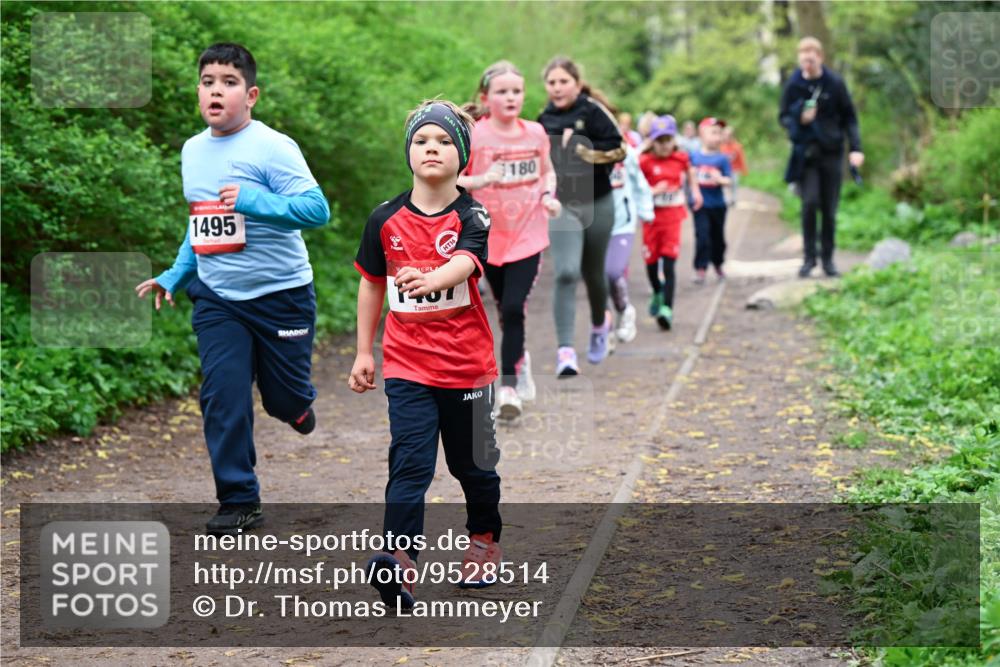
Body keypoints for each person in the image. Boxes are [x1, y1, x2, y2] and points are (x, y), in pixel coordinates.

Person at [134, 43, 330, 535]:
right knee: (222, 395)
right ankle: (239, 499)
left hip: (282, 293)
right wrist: (175, 275)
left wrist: (254, 201)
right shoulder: (192, 151)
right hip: (219, 296)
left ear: (251, 94)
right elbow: (201, 224)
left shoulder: (273, 147)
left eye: (228, 82)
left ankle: (296, 406)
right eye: (207, 81)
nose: (216, 90)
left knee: (282, 401)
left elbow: (317, 210)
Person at [349, 101, 503, 609]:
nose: (430, 148)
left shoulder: (472, 212)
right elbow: (372, 286)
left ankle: (482, 541)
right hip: (407, 364)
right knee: (410, 465)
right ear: (408, 152)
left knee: (473, 467)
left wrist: (429, 279)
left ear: (462, 156)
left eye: (442, 141)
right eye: (420, 140)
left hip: (467, 367)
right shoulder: (384, 219)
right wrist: (362, 352)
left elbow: (464, 263)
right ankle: (399, 563)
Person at [458, 61, 560, 421]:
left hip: (528, 233)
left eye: (516, 91)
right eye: (502, 91)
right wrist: (482, 179)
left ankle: (508, 388)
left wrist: (548, 195)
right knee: (503, 308)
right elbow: (454, 181)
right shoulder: (475, 135)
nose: (510, 97)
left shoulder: (535, 132)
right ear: (486, 97)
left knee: (514, 307)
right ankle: (521, 357)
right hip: (488, 236)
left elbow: (547, 172)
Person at [537, 57, 625, 376]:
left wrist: (580, 150)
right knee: (565, 272)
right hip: (563, 204)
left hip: (598, 200)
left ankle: (601, 324)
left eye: (563, 81)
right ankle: (565, 352)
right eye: (551, 83)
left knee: (593, 274)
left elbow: (619, 149)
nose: (557, 88)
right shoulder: (542, 120)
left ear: (576, 83)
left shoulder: (592, 112)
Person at [779, 36, 864, 278]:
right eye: (803, 53)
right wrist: (799, 119)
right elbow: (783, 117)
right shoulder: (793, 85)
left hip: (831, 153)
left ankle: (828, 259)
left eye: (812, 53)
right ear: (799, 58)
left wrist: (855, 148)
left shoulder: (834, 83)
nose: (808, 57)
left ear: (820, 57)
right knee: (809, 204)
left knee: (829, 208)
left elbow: (850, 117)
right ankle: (808, 258)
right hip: (805, 155)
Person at [639, 115, 703, 330]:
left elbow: (691, 172)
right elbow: (634, 182)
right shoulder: (644, 161)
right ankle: (657, 292)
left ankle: (667, 308)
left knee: (669, 264)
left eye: (668, 140)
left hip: (672, 218)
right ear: (652, 141)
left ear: (674, 140)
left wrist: (695, 191)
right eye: (659, 140)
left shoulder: (681, 158)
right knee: (650, 265)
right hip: (650, 220)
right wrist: (652, 191)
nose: (664, 145)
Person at [607, 142, 654, 342]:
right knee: (596, 278)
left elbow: (639, 183)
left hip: (621, 223)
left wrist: (645, 211)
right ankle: (603, 328)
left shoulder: (625, 152)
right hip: (590, 225)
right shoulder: (578, 150)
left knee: (613, 271)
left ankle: (624, 310)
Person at [689, 117, 733, 284]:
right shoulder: (693, 157)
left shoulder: (722, 159)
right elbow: (686, 176)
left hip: (718, 205)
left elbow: (729, 180)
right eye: (713, 132)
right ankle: (700, 268)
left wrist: (720, 179)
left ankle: (718, 264)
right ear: (702, 134)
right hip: (700, 205)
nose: (717, 136)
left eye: (719, 133)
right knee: (702, 237)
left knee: (718, 238)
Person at [720, 125, 748, 206]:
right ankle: (725, 199)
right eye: (725, 135)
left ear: (732, 136)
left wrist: (744, 169)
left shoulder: (737, 146)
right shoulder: (721, 146)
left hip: (734, 169)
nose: (726, 137)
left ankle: (733, 199)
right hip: (724, 170)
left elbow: (741, 158)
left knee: (734, 184)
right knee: (724, 185)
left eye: (728, 135)